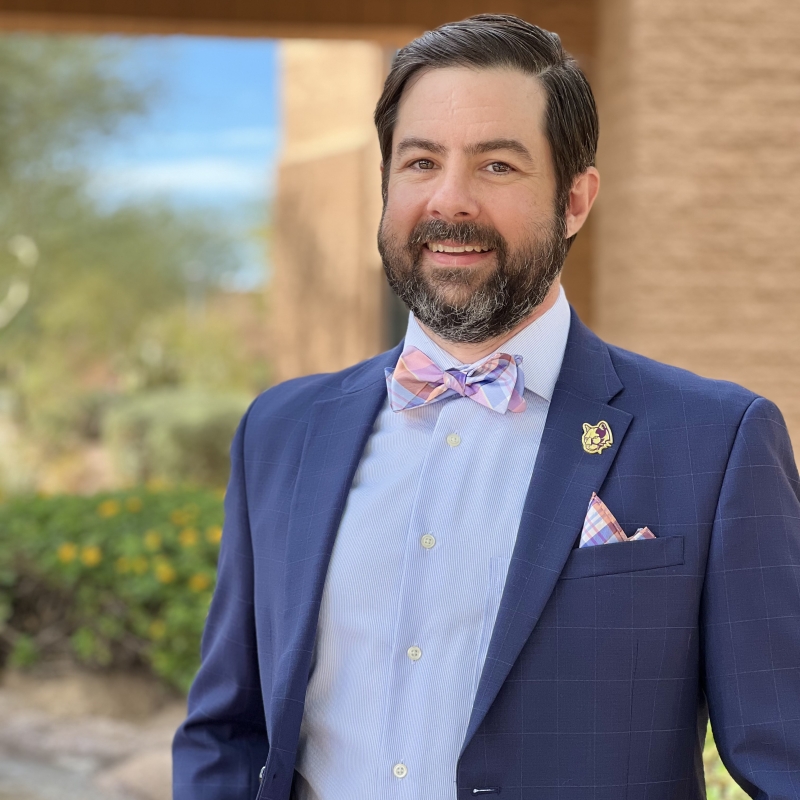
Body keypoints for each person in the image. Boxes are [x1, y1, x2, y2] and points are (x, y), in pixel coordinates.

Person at [173, 14, 800, 800]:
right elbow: (229, 731)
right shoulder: (281, 431)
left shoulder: (717, 442)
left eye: (497, 165)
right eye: (421, 162)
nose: (450, 200)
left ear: (575, 200)